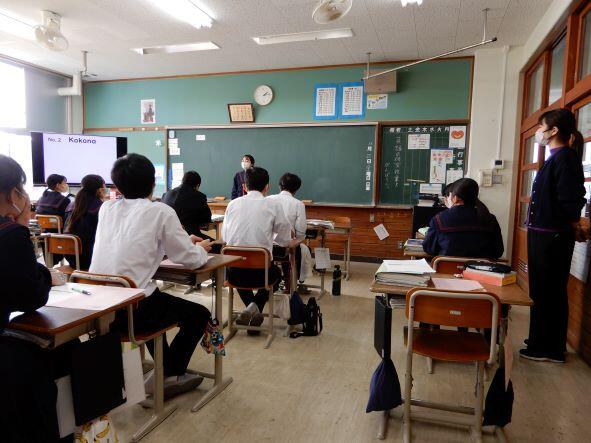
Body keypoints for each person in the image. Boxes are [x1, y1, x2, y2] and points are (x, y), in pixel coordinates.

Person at [89, 153, 213, 394]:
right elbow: (189, 259)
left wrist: (181, 241)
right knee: (199, 314)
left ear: (117, 185)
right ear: (153, 182)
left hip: (101, 308)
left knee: (158, 300)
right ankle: (171, 373)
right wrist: (200, 249)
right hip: (133, 310)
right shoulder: (161, 211)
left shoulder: (107, 208)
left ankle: (164, 367)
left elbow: (135, 242)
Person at [0, 154, 67, 442]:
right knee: (62, 352)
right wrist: (23, 227)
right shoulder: (10, 234)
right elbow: (31, 296)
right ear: (14, 193)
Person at [520, 108, 587, 363]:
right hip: (544, 233)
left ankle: (549, 348)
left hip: (552, 235)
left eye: (541, 126)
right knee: (541, 289)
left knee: (550, 291)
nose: (539, 131)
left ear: (554, 130)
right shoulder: (556, 157)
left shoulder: (566, 157)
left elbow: (571, 199)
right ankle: (540, 339)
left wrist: (573, 225)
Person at [222, 167, 293, 329]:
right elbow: (284, 238)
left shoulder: (232, 204)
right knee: (277, 275)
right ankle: (255, 309)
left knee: (238, 272)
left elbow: (225, 237)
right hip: (262, 275)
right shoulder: (273, 205)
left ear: (244, 186)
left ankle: (250, 310)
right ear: (267, 187)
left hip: (234, 274)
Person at [422, 178, 504, 259]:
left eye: (449, 195)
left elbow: (429, 248)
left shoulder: (439, 219)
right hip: (481, 267)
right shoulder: (490, 218)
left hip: (448, 267)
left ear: (455, 198)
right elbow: (498, 251)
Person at [267, 173, 313, 288]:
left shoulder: (268, 199)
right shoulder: (298, 204)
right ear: (296, 189)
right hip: (284, 247)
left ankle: (276, 283)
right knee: (297, 248)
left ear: (279, 186)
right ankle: (290, 285)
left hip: (265, 246)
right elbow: (301, 232)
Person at [64, 174, 106, 270]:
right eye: (104, 186)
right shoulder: (101, 207)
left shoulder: (71, 205)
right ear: (99, 190)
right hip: (91, 259)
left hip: (71, 257)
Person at [162, 170, 212, 240]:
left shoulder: (166, 195)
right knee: (217, 244)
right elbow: (206, 219)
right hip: (190, 237)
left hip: (168, 238)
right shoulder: (199, 196)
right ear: (197, 185)